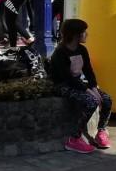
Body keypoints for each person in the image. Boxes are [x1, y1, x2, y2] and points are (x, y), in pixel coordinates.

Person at [48, 17, 112, 154]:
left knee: (106, 99)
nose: (86, 34)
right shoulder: (60, 53)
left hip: (78, 83)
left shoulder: (82, 50)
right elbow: (67, 78)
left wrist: (94, 87)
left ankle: (101, 131)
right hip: (62, 85)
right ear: (75, 34)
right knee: (91, 102)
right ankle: (74, 139)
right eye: (84, 32)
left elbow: (88, 71)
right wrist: (88, 91)